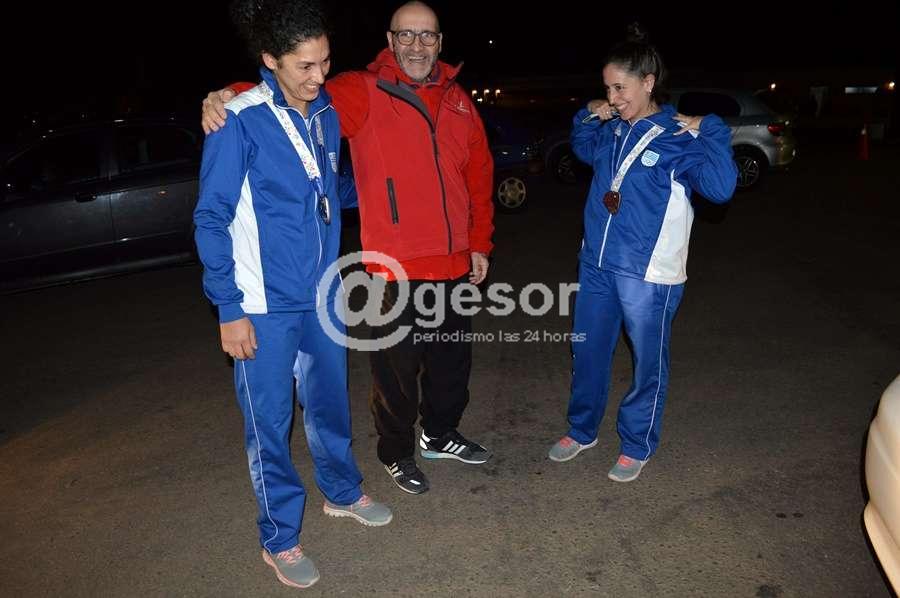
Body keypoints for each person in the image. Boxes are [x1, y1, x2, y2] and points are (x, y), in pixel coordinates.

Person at [202, 1, 495, 496]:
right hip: (391, 264)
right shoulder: (362, 89)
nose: (417, 45)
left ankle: (440, 433)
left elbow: (479, 175)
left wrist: (480, 242)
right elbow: (289, 93)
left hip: (453, 260)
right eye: (406, 35)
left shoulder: (459, 100)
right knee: (396, 371)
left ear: (441, 42)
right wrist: (228, 94)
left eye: (427, 35)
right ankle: (396, 452)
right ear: (390, 40)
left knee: (451, 363)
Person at [193, 0, 391, 588]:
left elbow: (325, 189)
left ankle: (342, 492)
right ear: (270, 60)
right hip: (261, 302)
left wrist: (387, 193)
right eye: (305, 65)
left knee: (330, 404)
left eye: (325, 62)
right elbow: (211, 218)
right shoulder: (238, 120)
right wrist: (229, 309)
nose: (318, 76)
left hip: (321, 294)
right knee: (270, 424)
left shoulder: (324, 112)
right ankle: (279, 538)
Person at [547, 24, 737, 482]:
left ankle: (637, 443)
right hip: (597, 264)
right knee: (587, 351)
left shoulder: (677, 137)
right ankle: (582, 429)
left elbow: (720, 188)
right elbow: (581, 148)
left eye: (620, 88)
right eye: (607, 88)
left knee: (647, 363)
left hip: (648, 274)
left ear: (648, 82)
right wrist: (588, 114)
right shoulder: (612, 130)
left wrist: (711, 128)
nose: (612, 98)